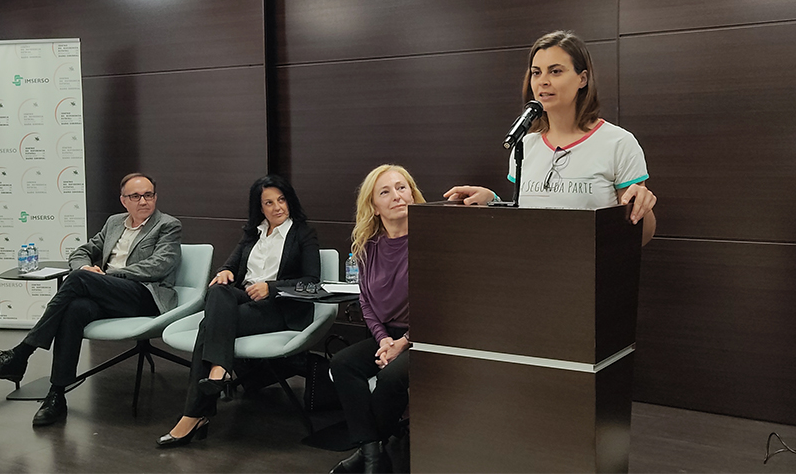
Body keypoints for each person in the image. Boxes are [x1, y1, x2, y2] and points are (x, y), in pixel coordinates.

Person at [0, 173, 182, 426]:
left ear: (155, 197)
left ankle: (21, 354)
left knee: (80, 280)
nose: (144, 201)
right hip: (109, 293)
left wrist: (105, 276)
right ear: (124, 200)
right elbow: (82, 252)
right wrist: (84, 267)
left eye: (148, 195)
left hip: (144, 294)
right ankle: (56, 395)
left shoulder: (167, 225)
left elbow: (159, 265)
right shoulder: (115, 223)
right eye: (136, 196)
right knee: (75, 308)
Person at [445, 30, 658, 245]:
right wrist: (492, 201)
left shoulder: (619, 143)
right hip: (534, 264)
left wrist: (644, 208)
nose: (543, 81)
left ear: (582, 79)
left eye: (555, 71)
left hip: (591, 264)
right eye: (536, 72)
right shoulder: (525, 143)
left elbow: (640, 236)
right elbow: (524, 220)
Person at [158, 174, 320, 447]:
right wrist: (223, 272)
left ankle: (194, 413)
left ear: (290, 201)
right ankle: (219, 371)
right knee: (218, 289)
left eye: (281, 200)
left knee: (207, 327)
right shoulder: (252, 233)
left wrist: (272, 288)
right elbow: (229, 266)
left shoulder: (303, 233)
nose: (277, 207)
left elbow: (312, 282)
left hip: (279, 308)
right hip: (245, 300)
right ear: (260, 207)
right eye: (269, 203)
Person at [329, 165, 425, 474]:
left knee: (391, 378)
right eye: (385, 191)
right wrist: (383, 339)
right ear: (373, 206)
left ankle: (369, 452)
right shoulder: (368, 245)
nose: (397, 196)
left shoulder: (430, 240)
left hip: (425, 337)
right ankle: (372, 454)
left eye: (402, 187)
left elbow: (439, 305)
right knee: (343, 364)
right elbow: (366, 302)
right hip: (387, 335)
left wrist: (403, 343)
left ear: (412, 194)